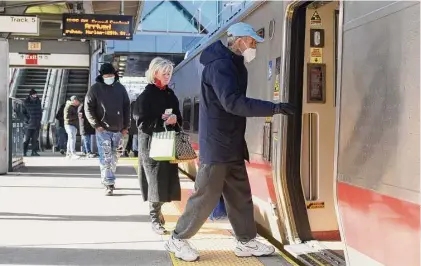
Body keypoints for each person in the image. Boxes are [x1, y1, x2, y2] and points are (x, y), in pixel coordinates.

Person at [164, 22, 295, 262]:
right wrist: (274, 107)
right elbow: (232, 103)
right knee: (206, 195)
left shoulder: (234, 64)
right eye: (252, 41)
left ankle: (246, 241)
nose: (254, 45)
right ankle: (177, 238)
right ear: (240, 40)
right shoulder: (220, 66)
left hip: (231, 142)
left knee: (239, 194)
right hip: (218, 143)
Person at [133, 57, 182, 235]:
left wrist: (175, 118)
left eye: (170, 73)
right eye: (165, 73)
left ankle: (159, 213)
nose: (168, 76)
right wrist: (160, 121)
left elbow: (178, 115)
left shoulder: (170, 94)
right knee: (155, 182)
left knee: (165, 182)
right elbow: (140, 122)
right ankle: (154, 219)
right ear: (155, 73)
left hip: (167, 143)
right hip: (152, 146)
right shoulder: (146, 96)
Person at [84, 63, 130, 196]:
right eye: (106, 76)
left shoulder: (120, 88)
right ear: (101, 75)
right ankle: (108, 183)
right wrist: (96, 125)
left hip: (119, 130)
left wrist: (126, 126)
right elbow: (88, 108)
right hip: (102, 130)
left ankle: (108, 175)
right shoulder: (95, 89)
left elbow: (127, 107)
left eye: (111, 75)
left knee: (115, 156)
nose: (109, 78)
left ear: (114, 75)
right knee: (106, 157)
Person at [22, 89, 42, 157]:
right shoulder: (25, 102)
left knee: (35, 139)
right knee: (27, 139)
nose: (35, 96)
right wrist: (27, 120)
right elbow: (23, 113)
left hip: (36, 124)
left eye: (36, 94)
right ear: (30, 95)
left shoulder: (38, 101)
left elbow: (40, 112)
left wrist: (39, 120)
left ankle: (34, 152)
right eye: (34, 94)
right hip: (29, 125)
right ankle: (24, 151)